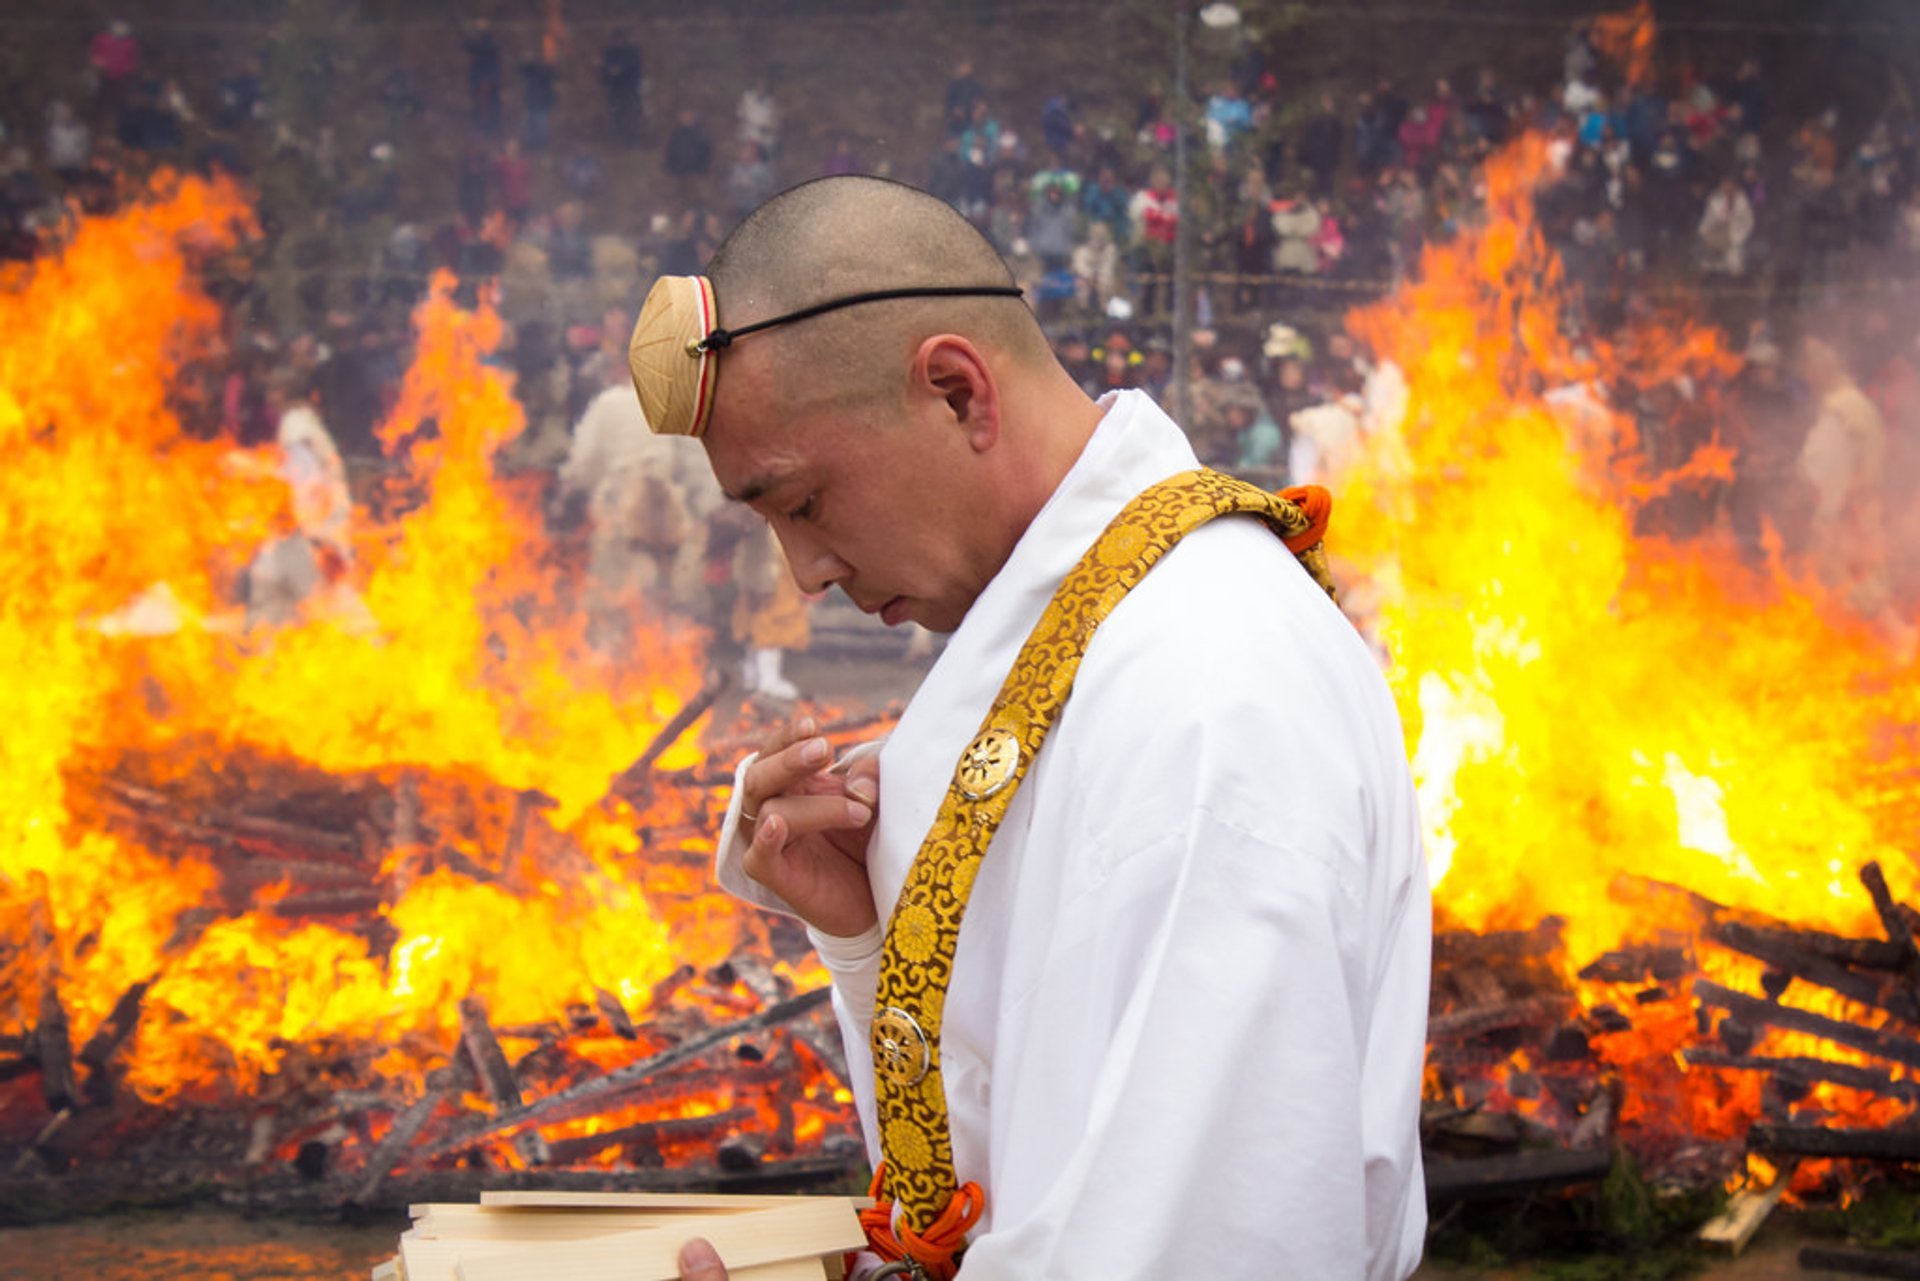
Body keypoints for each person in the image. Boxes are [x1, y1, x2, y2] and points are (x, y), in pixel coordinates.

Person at [628, 176, 1429, 1281]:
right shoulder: (1107, 639)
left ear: (958, 393)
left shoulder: (1204, 694)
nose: (803, 572)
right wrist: (874, 934)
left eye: (803, 503)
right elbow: (1023, 1172)